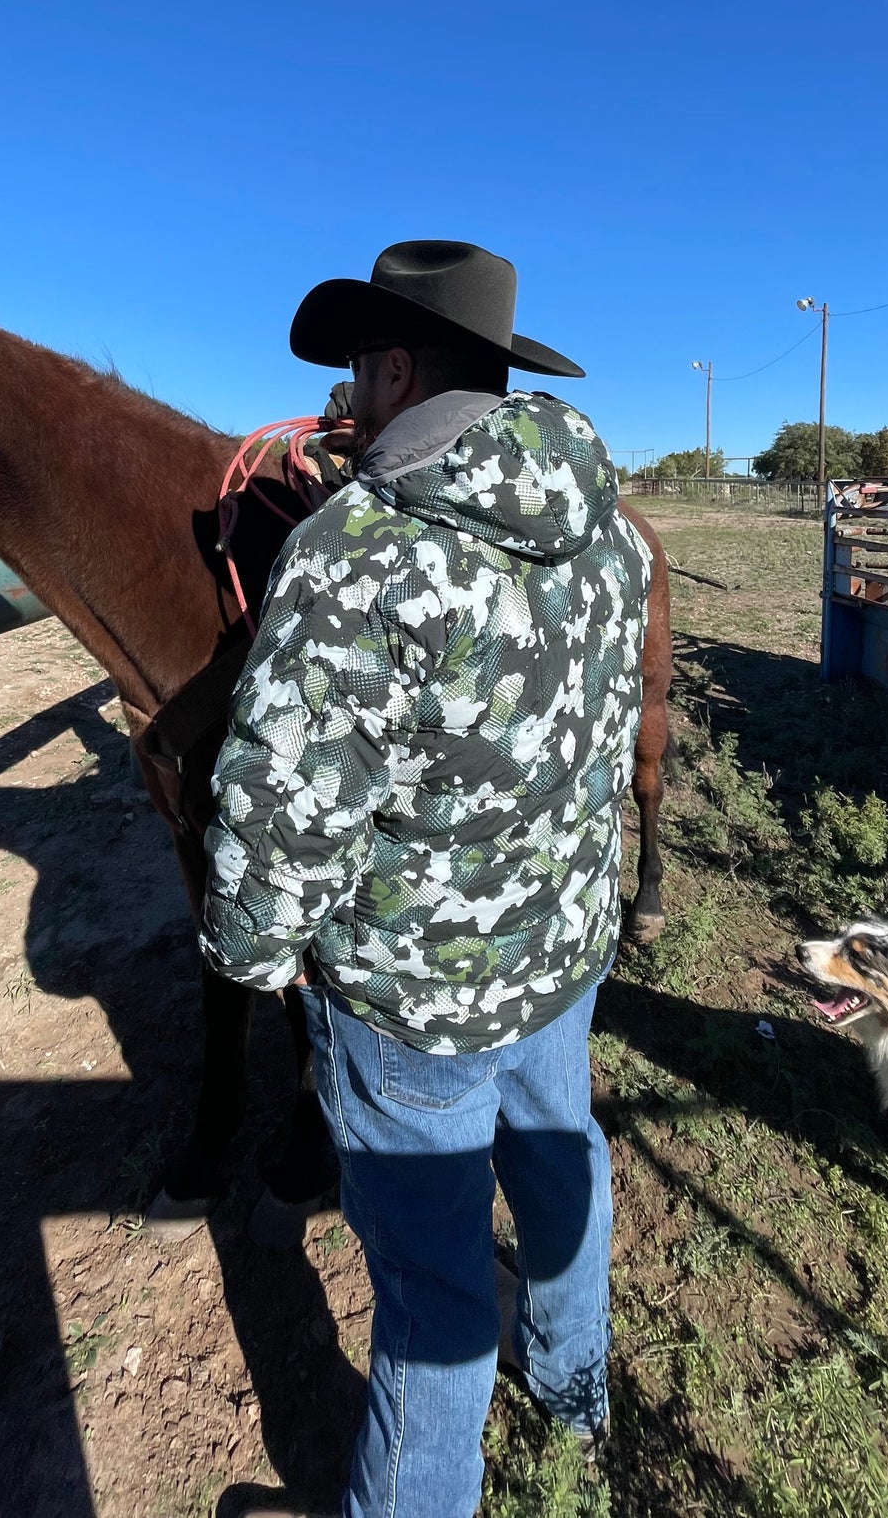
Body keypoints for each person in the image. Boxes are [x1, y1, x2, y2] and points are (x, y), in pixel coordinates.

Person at [200, 240, 652, 1518]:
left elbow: (276, 811)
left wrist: (250, 951)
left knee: (434, 1293)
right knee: (562, 1159)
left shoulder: (355, 549)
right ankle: (572, 1388)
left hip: (412, 1010)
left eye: (357, 369)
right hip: (561, 950)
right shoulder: (609, 532)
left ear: (394, 367)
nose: (347, 397)